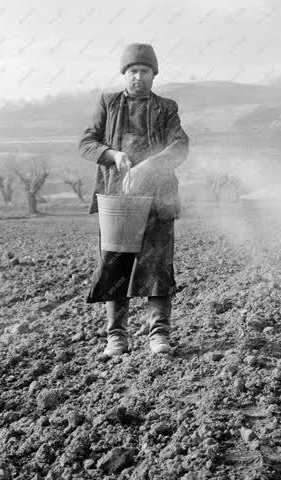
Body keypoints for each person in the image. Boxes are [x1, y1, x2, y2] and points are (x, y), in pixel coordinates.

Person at [79, 43, 189, 357]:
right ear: (124, 74)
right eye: (132, 71)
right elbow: (86, 142)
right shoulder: (108, 103)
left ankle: (159, 336)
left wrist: (150, 165)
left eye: (144, 70)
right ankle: (117, 338)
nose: (137, 76)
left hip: (158, 201)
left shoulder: (166, 108)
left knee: (157, 268)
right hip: (117, 200)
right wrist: (112, 154)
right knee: (115, 268)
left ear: (154, 74)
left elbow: (180, 146)